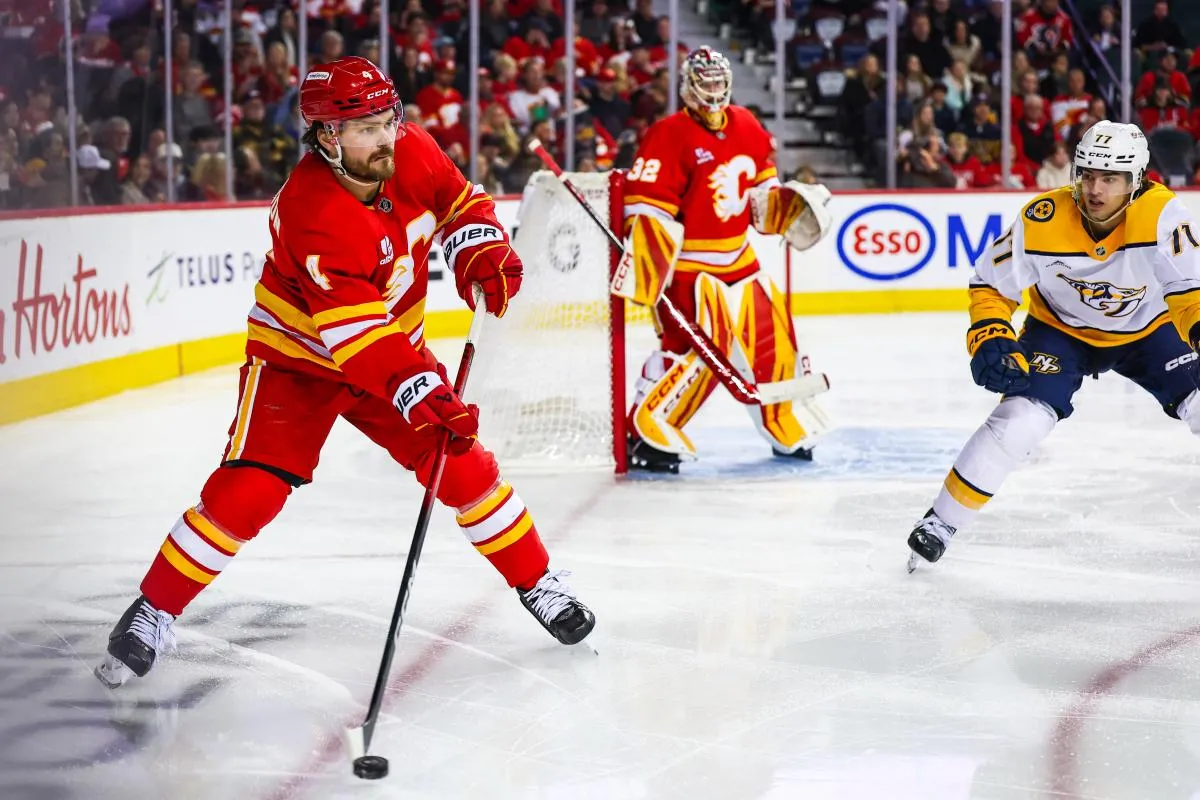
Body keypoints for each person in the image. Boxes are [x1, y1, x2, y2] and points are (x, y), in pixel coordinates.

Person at [95, 56, 595, 688]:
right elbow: (357, 339)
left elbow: (458, 200)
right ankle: (153, 609)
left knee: (462, 463)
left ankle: (538, 581)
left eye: (389, 120)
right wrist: (421, 390)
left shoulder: (409, 146)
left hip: (390, 347)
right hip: (299, 363)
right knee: (250, 491)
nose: (387, 136)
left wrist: (480, 247)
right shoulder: (313, 209)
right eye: (367, 128)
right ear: (327, 137)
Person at [906, 121, 1200, 571]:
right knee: (1019, 420)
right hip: (1060, 332)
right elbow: (990, 284)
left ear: (1136, 180)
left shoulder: (1163, 216)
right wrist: (990, 335)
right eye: (1087, 174)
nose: (1095, 189)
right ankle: (941, 522)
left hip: (1148, 329)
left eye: (1111, 178)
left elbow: (1189, 288)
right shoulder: (1041, 218)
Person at [618, 46, 834, 473]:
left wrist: (780, 206)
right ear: (688, 85)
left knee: (775, 340)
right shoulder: (668, 133)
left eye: (719, 81)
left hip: (740, 258)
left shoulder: (747, 124)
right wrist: (648, 269)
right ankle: (649, 428)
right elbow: (646, 207)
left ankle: (782, 419)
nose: (714, 89)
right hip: (690, 268)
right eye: (706, 81)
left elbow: (761, 185)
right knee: (696, 353)